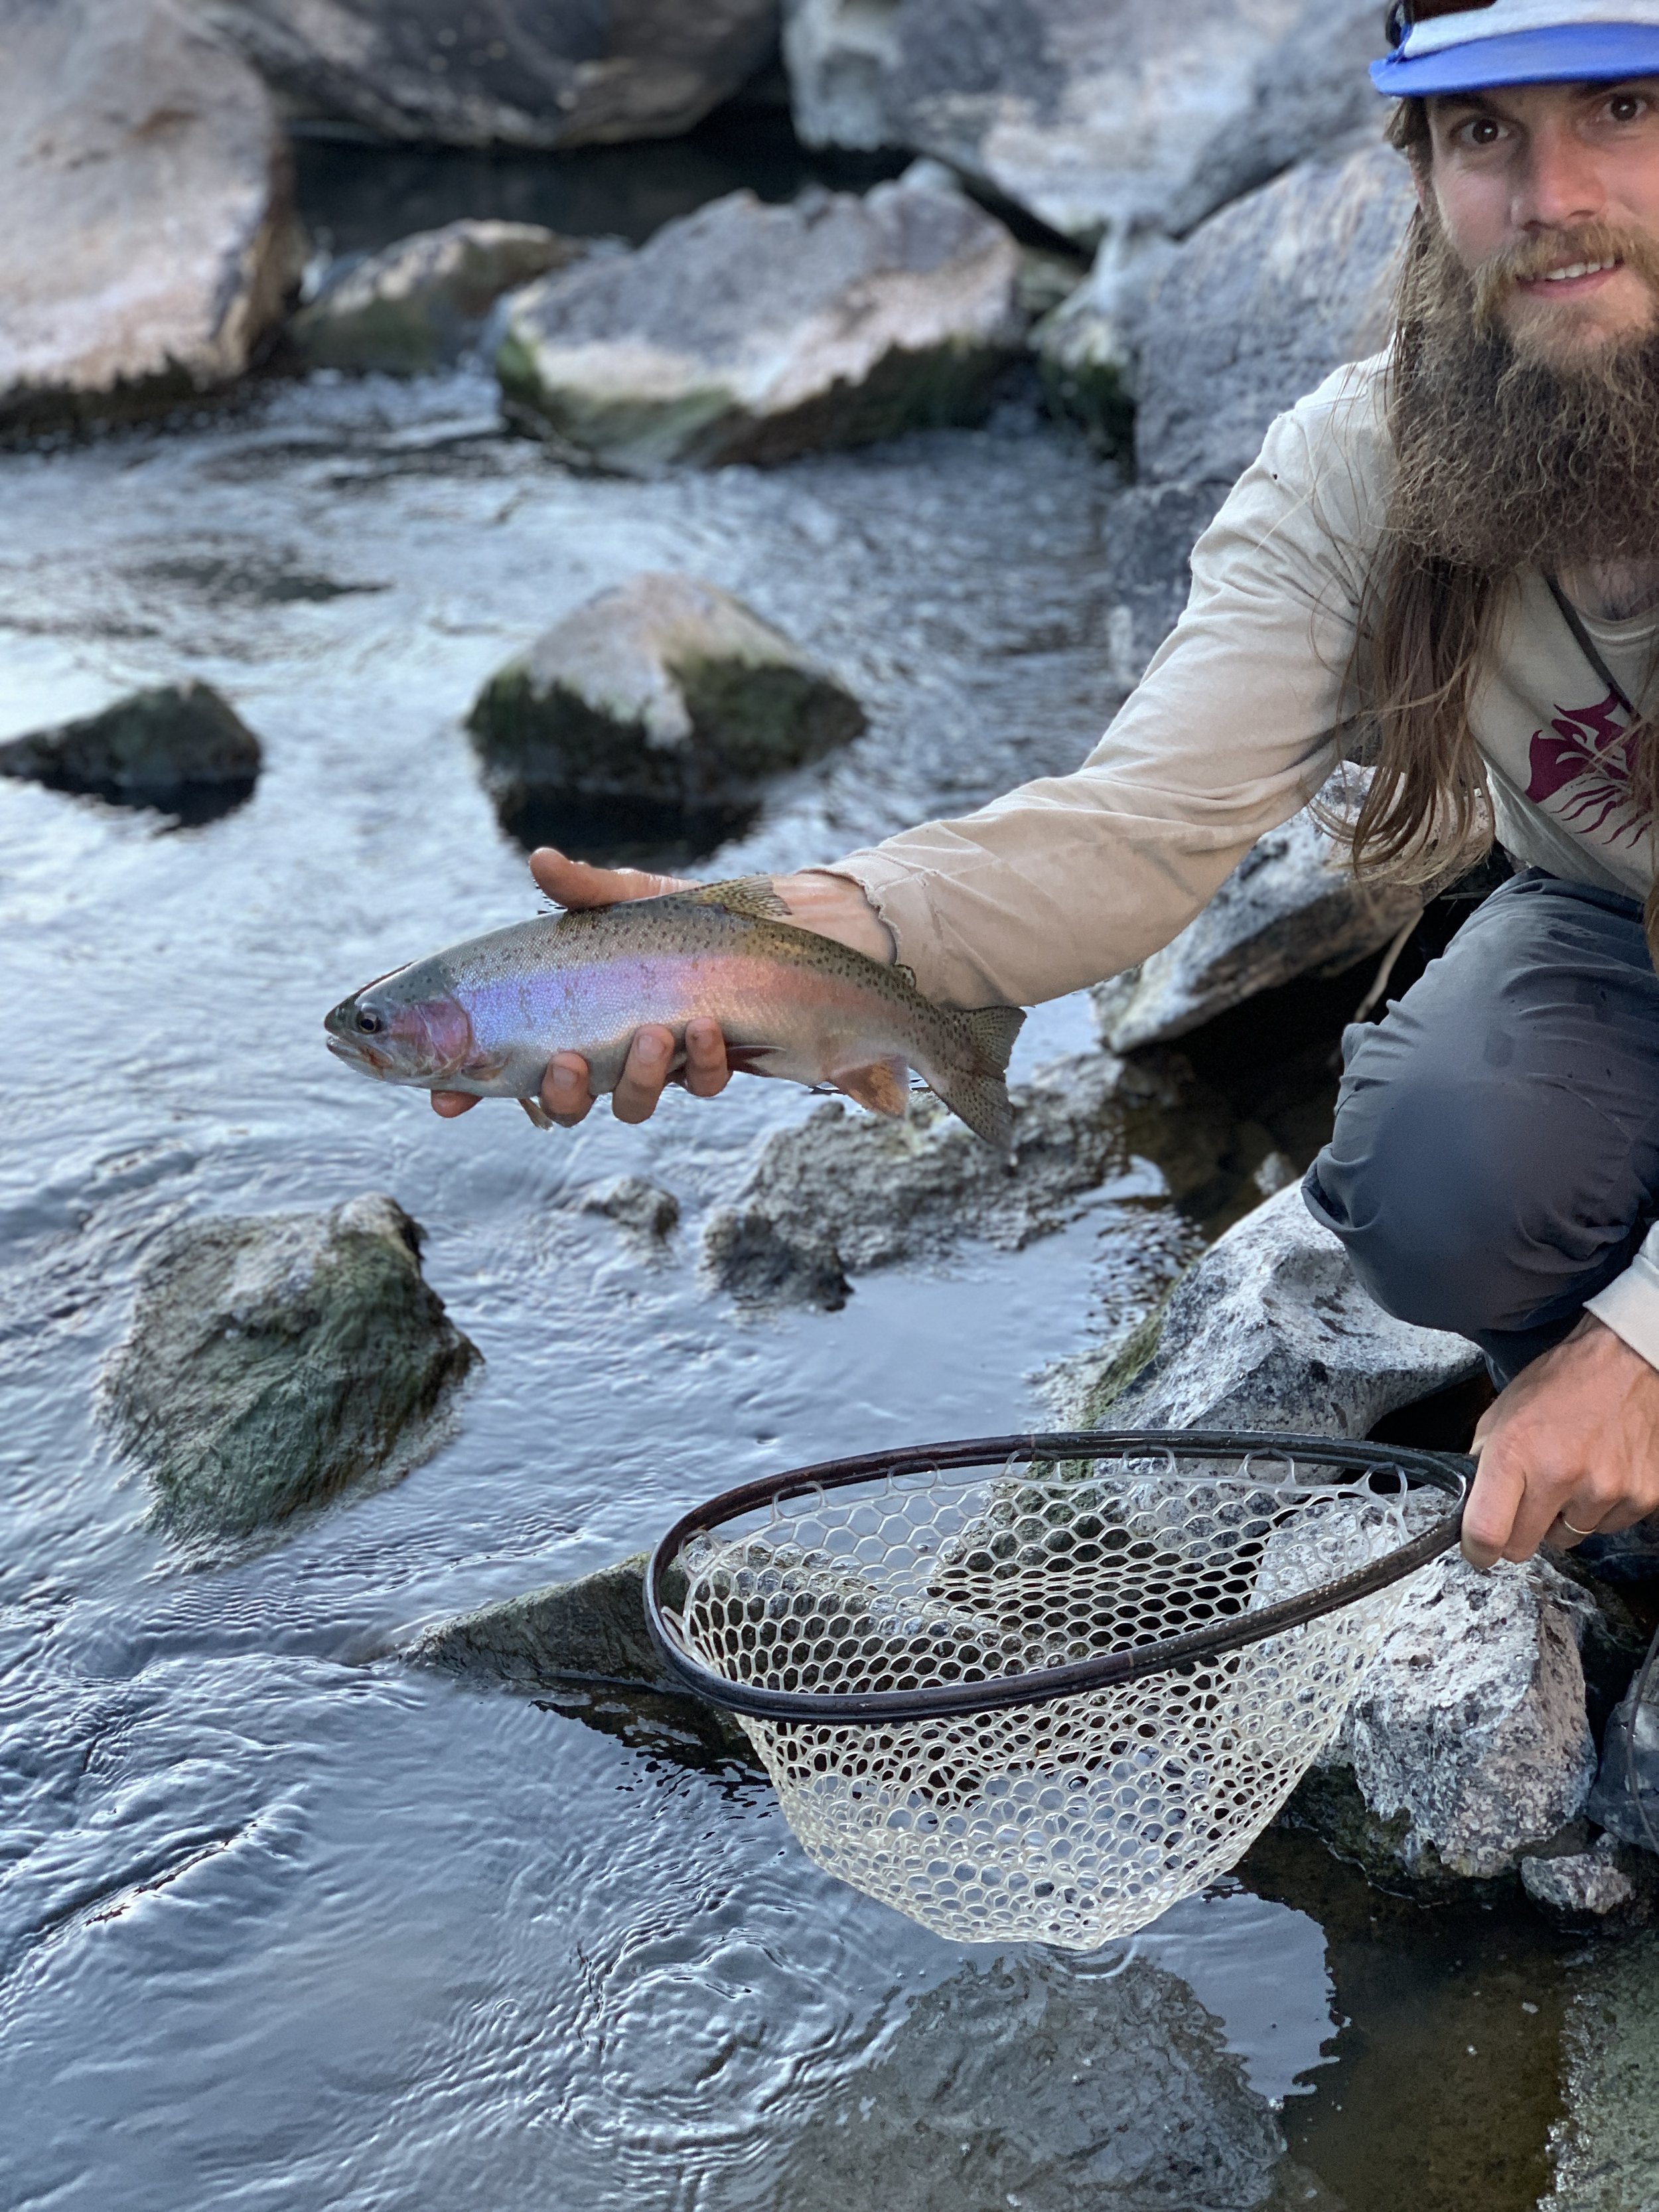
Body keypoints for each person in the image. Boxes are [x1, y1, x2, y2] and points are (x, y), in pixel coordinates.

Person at [438, 1, 1659, 1575]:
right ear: (1417, 170)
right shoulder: (1374, 462)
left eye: (1617, 109)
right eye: (1482, 132)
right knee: (1438, 1175)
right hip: (1605, 921)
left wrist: (1637, 1345)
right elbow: (1133, 829)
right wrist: (800, 932)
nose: (1548, 194)